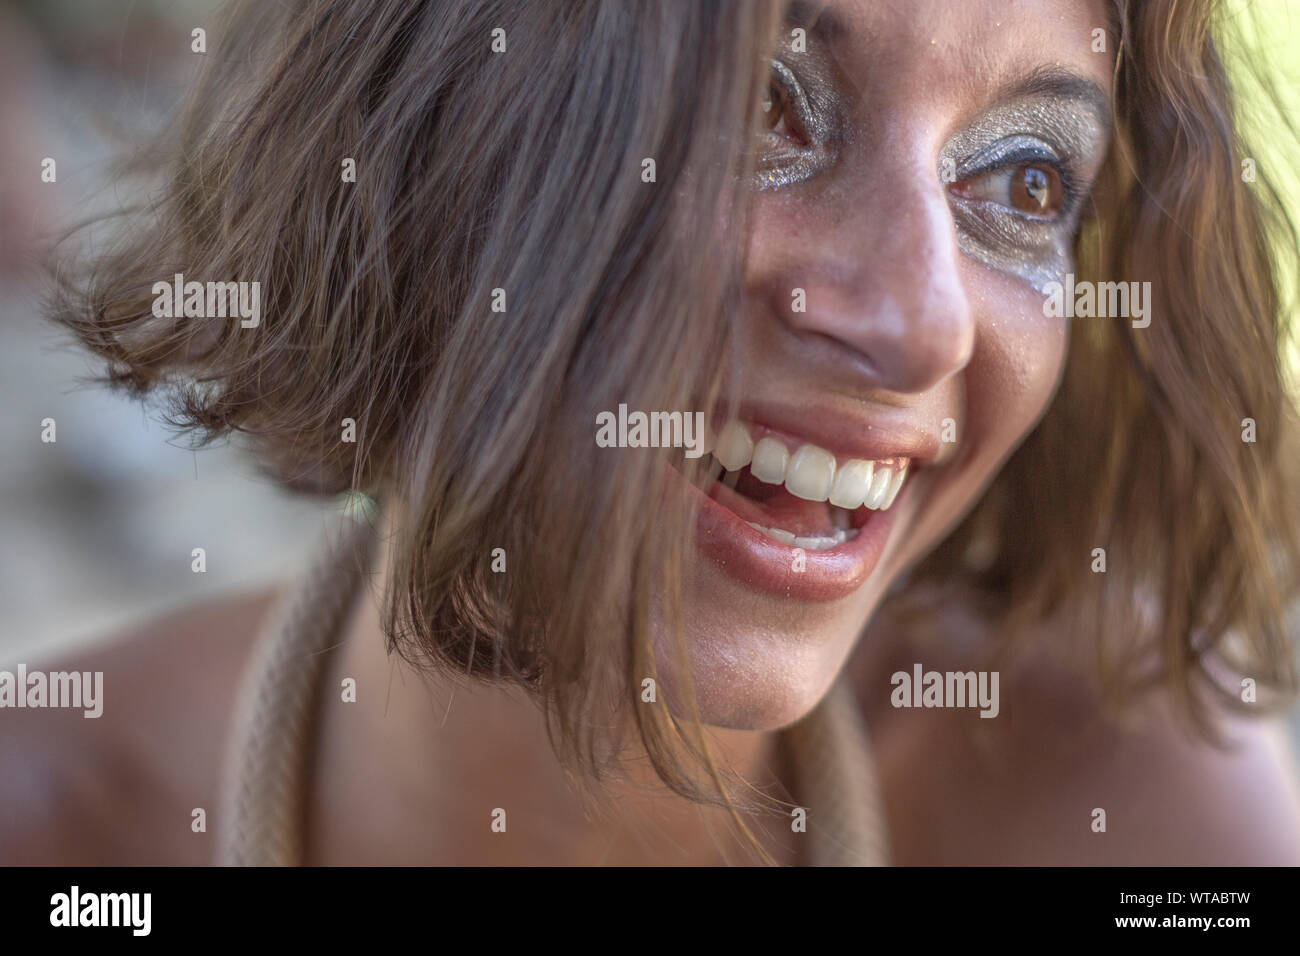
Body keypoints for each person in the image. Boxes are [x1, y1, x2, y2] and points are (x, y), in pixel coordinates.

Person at [5, 0, 1300, 865]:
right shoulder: (55, 824)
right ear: (428, 143)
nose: (923, 324)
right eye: (761, 109)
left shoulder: (1129, 817)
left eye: (1026, 181)